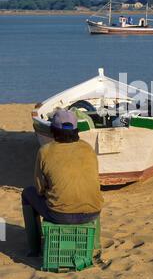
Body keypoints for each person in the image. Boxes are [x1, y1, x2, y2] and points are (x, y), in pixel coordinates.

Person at [22, 109, 104, 256]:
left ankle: (34, 249)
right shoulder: (88, 148)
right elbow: (94, 181)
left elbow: (39, 188)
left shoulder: (45, 151)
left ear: (53, 130)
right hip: (93, 212)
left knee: (27, 193)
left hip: (60, 215)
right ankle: (95, 245)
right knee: (91, 194)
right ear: (76, 130)